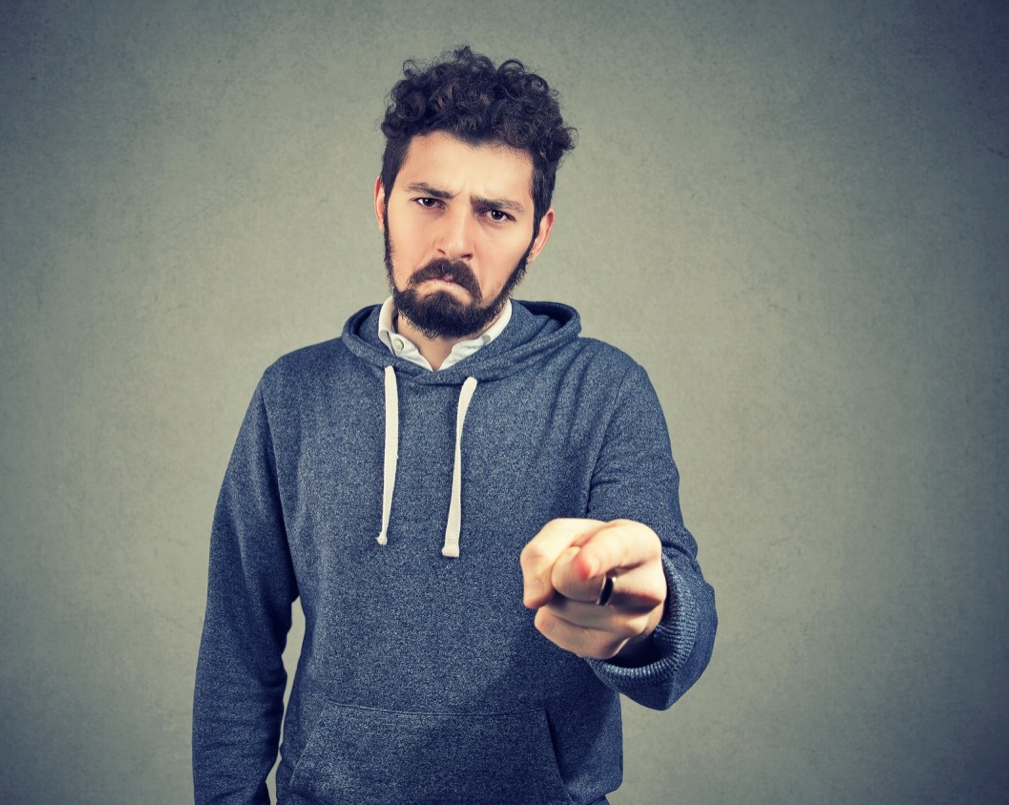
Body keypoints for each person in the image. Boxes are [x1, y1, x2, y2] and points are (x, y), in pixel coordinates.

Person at [193, 46, 717, 805]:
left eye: (496, 213)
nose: (456, 241)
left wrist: (651, 612)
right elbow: (237, 644)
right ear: (382, 201)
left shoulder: (605, 390)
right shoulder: (292, 395)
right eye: (429, 200)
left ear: (538, 234)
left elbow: (678, 641)